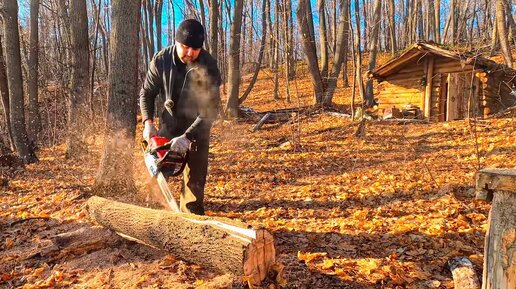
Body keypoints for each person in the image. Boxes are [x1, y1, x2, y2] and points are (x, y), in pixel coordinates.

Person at [139, 19, 221, 215]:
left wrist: (188, 137)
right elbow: (147, 93)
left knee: (195, 178)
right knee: (158, 172)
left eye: (195, 48)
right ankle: (154, 213)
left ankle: (191, 218)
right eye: (185, 47)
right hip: (169, 122)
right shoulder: (161, 60)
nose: (190, 53)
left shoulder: (209, 66)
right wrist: (148, 123)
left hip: (197, 127)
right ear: (176, 42)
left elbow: (211, 109)